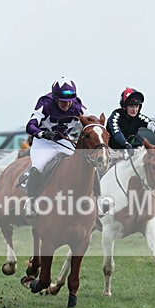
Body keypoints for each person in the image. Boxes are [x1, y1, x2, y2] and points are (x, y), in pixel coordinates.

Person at [24, 77, 89, 216]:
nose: (66, 105)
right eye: (62, 101)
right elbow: (30, 126)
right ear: (55, 98)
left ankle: (98, 198)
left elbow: (89, 122)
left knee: (86, 162)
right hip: (44, 143)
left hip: (64, 141)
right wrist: (42, 133)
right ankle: (31, 201)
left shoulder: (77, 106)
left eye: (69, 101)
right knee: (38, 166)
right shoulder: (45, 103)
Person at [107, 87, 155, 157]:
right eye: (131, 106)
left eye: (137, 106)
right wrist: (125, 144)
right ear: (125, 106)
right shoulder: (115, 116)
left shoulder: (139, 117)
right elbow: (117, 133)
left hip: (129, 149)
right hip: (112, 151)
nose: (135, 110)